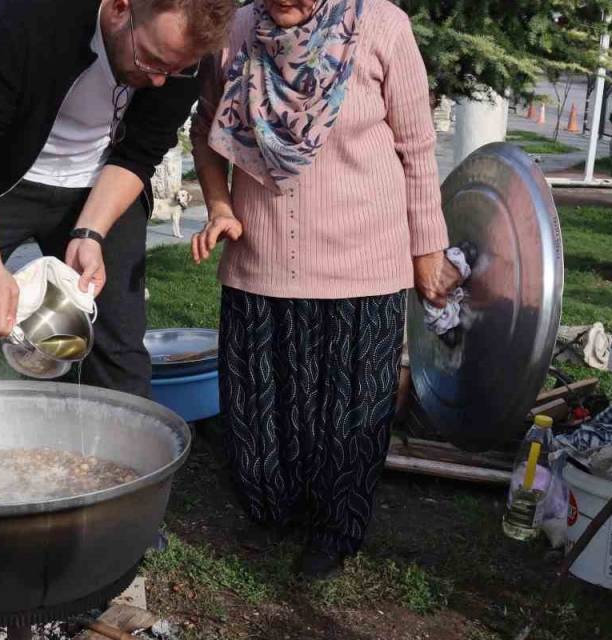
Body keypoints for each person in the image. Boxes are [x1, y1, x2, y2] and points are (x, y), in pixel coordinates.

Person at [189, 0, 456, 578]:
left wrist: (428, 249)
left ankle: (335, 532)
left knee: (348, 416)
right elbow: (206, 131)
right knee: (262, 416)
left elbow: (417, 148)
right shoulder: (237, 31)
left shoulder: (382, 25)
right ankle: (270, 511)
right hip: (260, 261)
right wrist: (218, 205)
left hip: (363, 264)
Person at [0, 0, 236, 398]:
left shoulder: (183, 58)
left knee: (118, 347)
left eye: (174, 70)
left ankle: (126, 457)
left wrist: (90, 233)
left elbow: (140, 153)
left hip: (101, 184)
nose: (161, 82)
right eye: (153, 61)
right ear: (121, 9)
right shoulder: (36, 12)